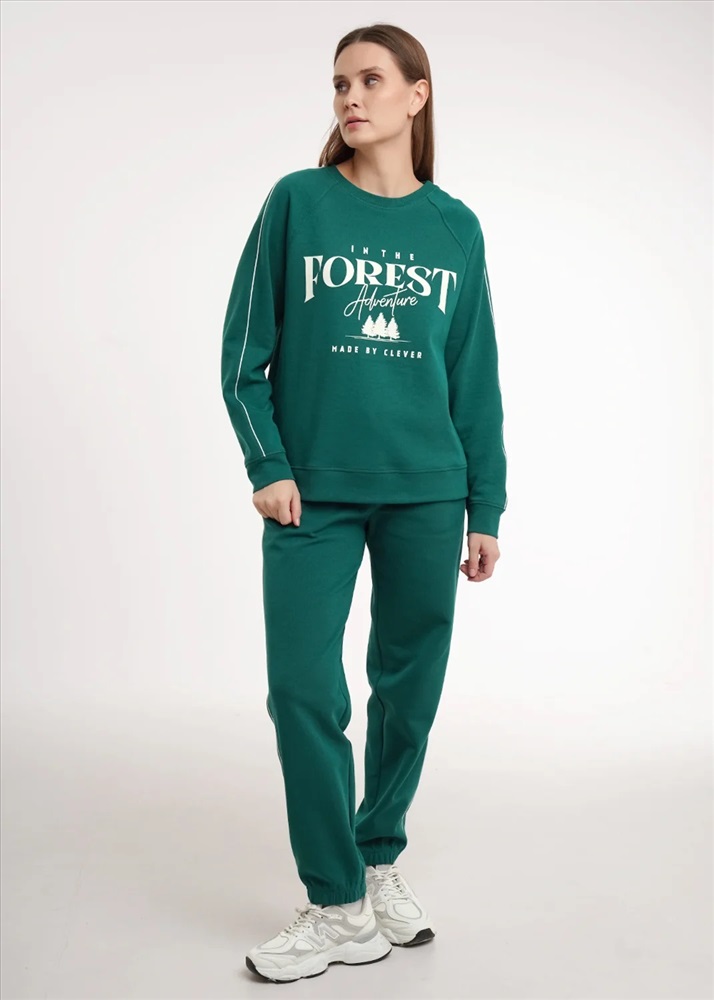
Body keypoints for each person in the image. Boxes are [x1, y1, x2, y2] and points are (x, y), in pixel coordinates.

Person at [220, 21, 508, 985]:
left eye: (371, 80)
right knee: (303, 691)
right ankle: (337, 902)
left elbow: (475, 377)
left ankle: (378, 856)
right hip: (311, 495)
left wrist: (486, 506)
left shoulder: (454, 227)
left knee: (408, 691)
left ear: (417, 96)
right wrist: (268, 462)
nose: (350, 97)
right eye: (340, 82)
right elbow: (243, 353)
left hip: (429, 491)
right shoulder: (298, 203)